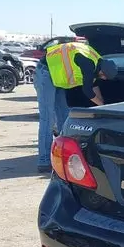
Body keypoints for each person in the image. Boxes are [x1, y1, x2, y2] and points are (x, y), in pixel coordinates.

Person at [35, 41, 117, 173]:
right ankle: (44, 160)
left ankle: (63, 154)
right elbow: (88, 91)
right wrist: (101, 105)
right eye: (104, 77)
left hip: (57, 77)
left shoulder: (96, 62)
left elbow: (94, 86)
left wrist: (104, 107)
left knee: (64, 116)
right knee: (48, 118)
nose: (104, 79)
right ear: (102, 71)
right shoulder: (88, 63)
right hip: (45, 72)